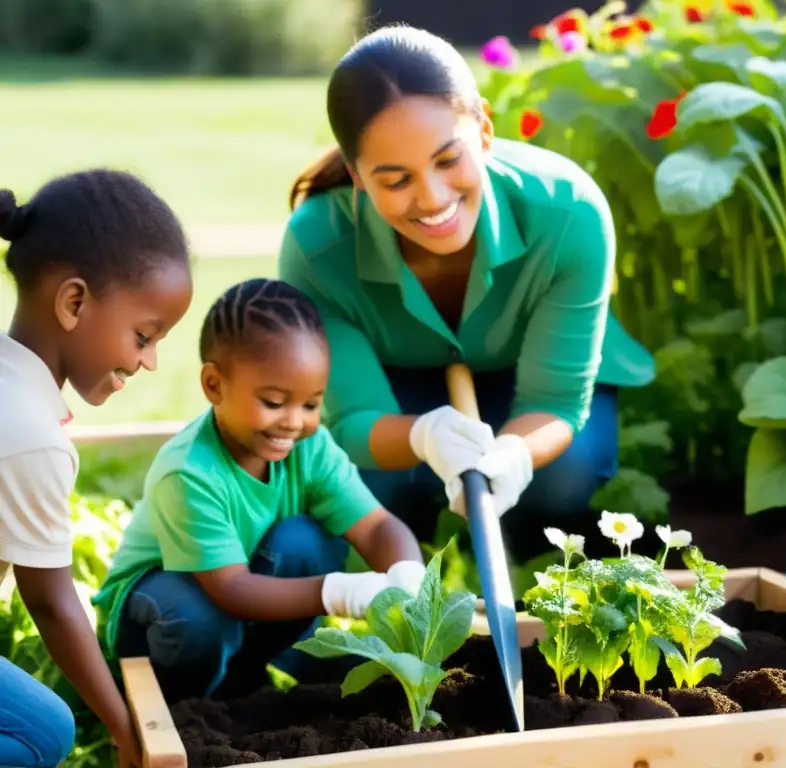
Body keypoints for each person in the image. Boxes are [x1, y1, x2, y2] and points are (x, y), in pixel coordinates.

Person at [278, 25, 654, 561]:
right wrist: (422, 438)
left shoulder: (569, 211)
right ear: (358, 177)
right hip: (396, 383)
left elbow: (555, 402)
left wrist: (513, 455)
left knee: (563, 475)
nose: (432, 199)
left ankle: (532, 553)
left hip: (522, 367)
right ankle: (410, 559)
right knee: (374, 481)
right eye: (395, 180)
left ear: (483, 128)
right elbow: (354, 419)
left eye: (448, 159)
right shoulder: (316, 247)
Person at [92, 278, 426, 705]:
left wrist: (408, 577)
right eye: (273, 401)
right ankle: (187, 707)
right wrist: (343, 591)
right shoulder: (190, 471)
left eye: (310, 404)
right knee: (193, 615)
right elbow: (229, 588)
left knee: (305, 541)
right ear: (214, 385)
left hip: (239, 599)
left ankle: (250, 675)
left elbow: (377, 528)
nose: (294, 421)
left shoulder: (310, 447)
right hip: (160, 617)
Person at [0, 171, 194, 767]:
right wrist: (127, 729)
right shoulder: (28, 434)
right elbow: (53, 602)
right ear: (74, 302)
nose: (152, 361)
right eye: (144, 335)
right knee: (45, 734)